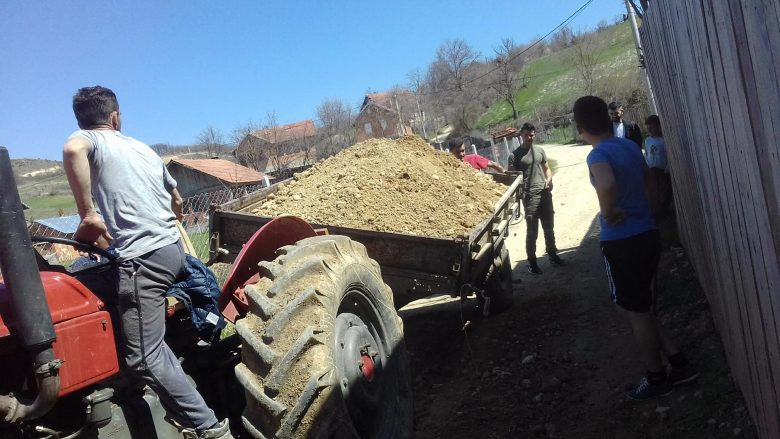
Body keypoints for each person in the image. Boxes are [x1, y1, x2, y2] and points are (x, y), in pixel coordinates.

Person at [62, 86, 232, 438]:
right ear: (115, 117)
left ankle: (210, 430)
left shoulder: (87, 141)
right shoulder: (142, 149)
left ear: (85, 121)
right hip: (170, 249)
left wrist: (89, 215)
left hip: (141, 260)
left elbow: (71, 148)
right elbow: (177, 199)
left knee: (143, 357)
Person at [573, 95, 698, 400]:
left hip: (622, 243)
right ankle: (678, 361)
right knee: (639, 305)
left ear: (579, 127)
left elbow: (605, 184)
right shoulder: (629, 146)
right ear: (607, 119)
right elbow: (651, 187)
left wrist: (608, 212)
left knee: (633, 310)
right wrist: (650, 213)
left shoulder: (597, 155)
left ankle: (656, 378)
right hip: (647, 234)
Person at [508, 123, 564, 274]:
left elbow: (547, 169)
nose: (529, 137)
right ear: (521, 135)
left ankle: (552, 254)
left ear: (535, 134)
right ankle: (532, 262)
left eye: (531, 135)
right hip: (529, 197)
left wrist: (549, 179)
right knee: (532, 231)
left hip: (545, 194)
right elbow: (512, 179)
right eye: (526, 135)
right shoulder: (514, 155)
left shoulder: (540, 151)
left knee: (549, 227)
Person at [644, 114, 672, 215]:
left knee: (664, 191)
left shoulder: (664, 140)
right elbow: (647, 154)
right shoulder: (647, 140)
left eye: (652, 127)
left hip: (663, 171)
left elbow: (669, 155)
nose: (650, 130)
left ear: (659, 126)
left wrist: (667, 168)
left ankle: (665, 210)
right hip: (652, 170)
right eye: (648, 128)